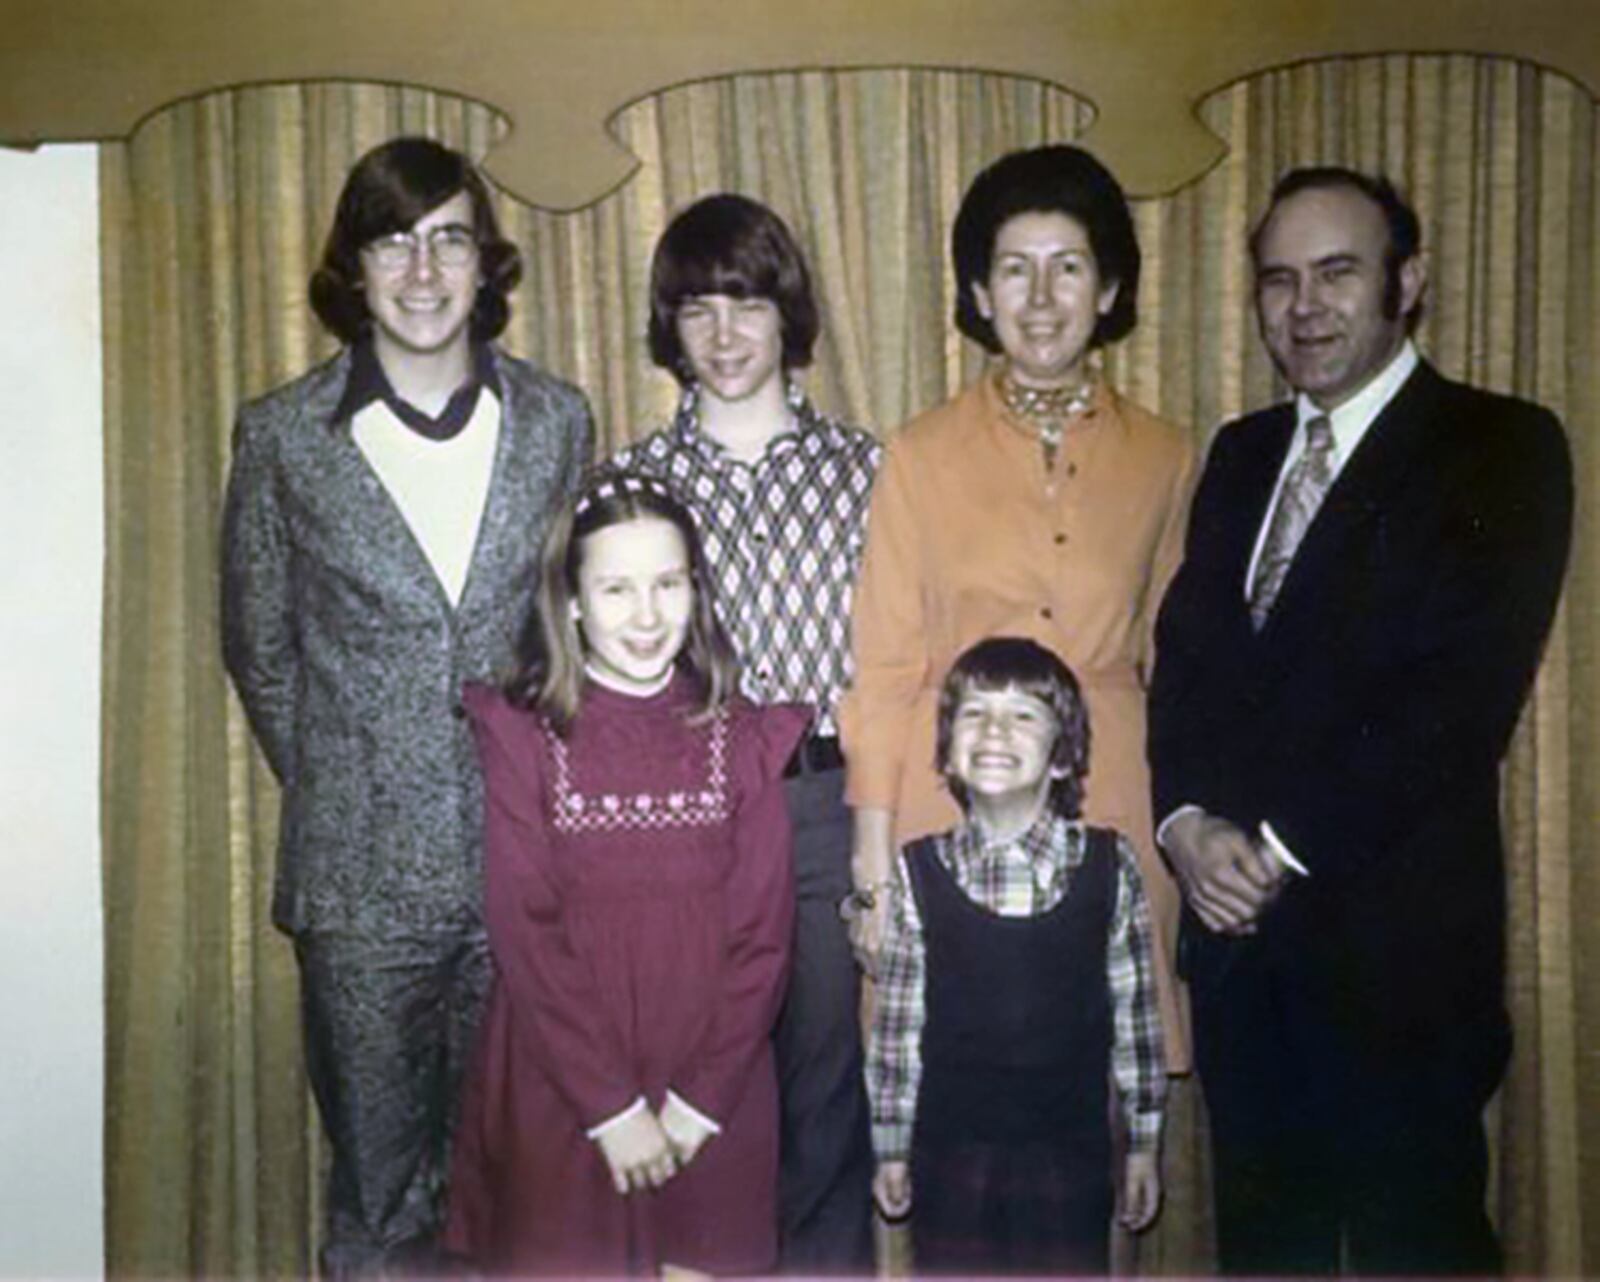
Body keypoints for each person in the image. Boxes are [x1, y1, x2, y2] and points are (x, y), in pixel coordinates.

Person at [1149, 167, 1573, 1275]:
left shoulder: (1503, 446)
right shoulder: (1240, 456)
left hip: (1401, 977)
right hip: (1243, 967)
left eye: (1337, 272)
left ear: (1408, 282)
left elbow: (1454, 704)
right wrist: (1185, 825)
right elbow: (1186, 667)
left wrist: (1277, 847)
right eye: (1278, 279)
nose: (1304, 306)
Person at [220, 136, 593, 1276]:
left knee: (520, 1189)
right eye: (393, 241)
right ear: (356, 267)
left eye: (449, 240)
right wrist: (356, 776)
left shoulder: (557, 422)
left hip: (524, 876)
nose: (423, 272)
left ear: (486, 264)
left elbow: (572, 636)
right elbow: (259, 646)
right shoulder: (283, 435)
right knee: (381, 1207)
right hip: (357, 884)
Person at [839, 145, 1196, 1077]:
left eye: (1068, 266)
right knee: (963, 1095)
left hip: (1113, 795)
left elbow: (1189, 662)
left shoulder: (1169, 457)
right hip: (946, 798)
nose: (1041, 299)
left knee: (1103, 1102)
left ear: (1110, 288)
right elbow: (882, 666)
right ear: (979, 292)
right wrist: (873, 861)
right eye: (1014, 269)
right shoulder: (917, 454)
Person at [442, 472, 808, 1276]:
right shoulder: (520, 735)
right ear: (570, 601)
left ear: (696, 590)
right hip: (564, 1080)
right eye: (615, 588)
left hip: (714, 1088)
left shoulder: (744, 738)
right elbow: (523, 928)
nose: (646, 616)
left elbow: (764, 942)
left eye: (667, 584)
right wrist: (609, 1108)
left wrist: (698, 1104)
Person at [611, 192, 880, 1271]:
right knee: (699, 1091)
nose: (724, 335)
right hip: (688, 811)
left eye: (747, 304)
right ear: (669, 329)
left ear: (788, 315)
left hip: (819, 802)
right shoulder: (630, 482)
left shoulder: (867, 471)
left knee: (822, 1087)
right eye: (696, 310)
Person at [867, 637, 1165, 1275]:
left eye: (1024, 714)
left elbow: (1137, 1024)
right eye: (974, 713)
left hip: (1069, 1158)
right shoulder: (918, 871)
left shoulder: (1110, 868)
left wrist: (1142, 1147)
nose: (995, 729)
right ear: (948, 750)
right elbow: (897, 1031)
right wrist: (891, 1148)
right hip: (952, 1160)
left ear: (1062, 757)